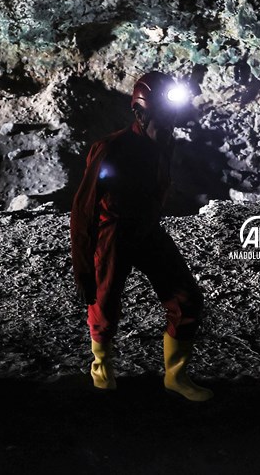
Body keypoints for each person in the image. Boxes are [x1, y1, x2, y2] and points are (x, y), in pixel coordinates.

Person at [69, 70, 214, 401]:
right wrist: (83, 265)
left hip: (147, 229)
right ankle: (102, 370)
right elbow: (83, 210)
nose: (167, 126)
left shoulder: (164, 144)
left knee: (186, 298)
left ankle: (176, 377)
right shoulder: (110, 149)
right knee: (103, 305)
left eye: (171, 119)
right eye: (161, 119)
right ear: (139, 112)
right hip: (113, 233)